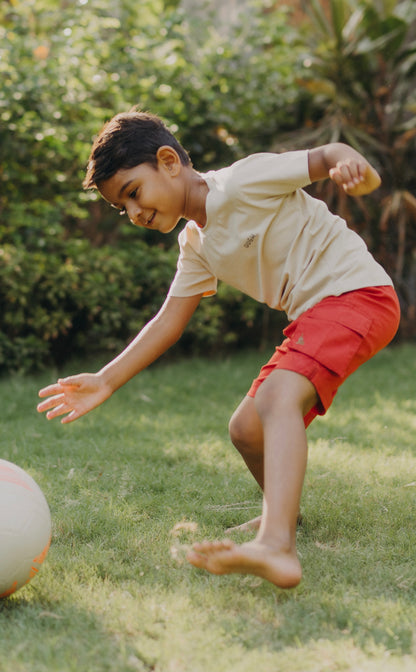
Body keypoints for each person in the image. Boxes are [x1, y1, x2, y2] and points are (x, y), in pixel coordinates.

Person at [37, 110, 400, 589]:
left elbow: (325, 156)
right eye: (121, 208)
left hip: (356, 295)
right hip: (318, 314)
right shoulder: (197, 243)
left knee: (275, 401)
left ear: (168, 161)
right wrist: (106, 379)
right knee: (247, 429)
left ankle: (277, 546)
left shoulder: (243, 181)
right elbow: (168, 321)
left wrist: (354, 166)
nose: (134, 213)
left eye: (132, 192)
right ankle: (281, 518)